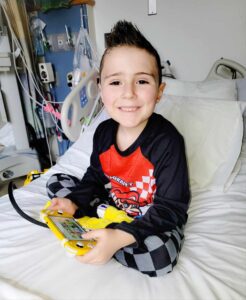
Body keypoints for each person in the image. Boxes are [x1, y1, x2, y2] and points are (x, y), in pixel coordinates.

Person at [46, 20, 190, 277]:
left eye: (142, 82)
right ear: (101, 90)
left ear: (159, 91)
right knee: (56, 183)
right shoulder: (103, 133)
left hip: (149, 218)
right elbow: (94, 177)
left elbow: (171, 208)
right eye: (116, 83)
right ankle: (101, 233)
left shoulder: (168, 142)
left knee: (161, 256)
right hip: (112, 207)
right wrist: (72, 202)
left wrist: (120, 236)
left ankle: (105, 240)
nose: (129, 94)